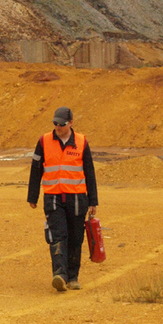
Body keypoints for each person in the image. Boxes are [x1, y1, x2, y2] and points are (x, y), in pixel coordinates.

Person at [27, 106, 98, 292]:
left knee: (75, 238)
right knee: (57, 236)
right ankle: (59, 274)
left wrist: (93, 201)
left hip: (77, 199)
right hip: (53, 198)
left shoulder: (82, 142)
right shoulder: (44, 141)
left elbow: (90, 172)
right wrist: (32, 195)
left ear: (71, 123)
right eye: (55, 123)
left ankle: (72, 277)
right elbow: (36, 169)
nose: (58, 127)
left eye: (62, 124)